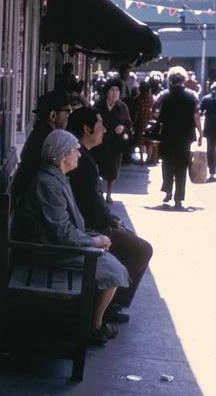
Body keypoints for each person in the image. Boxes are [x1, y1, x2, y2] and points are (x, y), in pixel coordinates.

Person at [14, 129, 130, 345]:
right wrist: (93, 241)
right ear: (62, 155)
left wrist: (93, 238)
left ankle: (91, 321)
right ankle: (92, 326)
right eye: (75, 150)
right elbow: (61, 233)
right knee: (113, 269)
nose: (79, 154)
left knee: (112, 261)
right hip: (48, 251)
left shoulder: (56, 177)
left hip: (55, 244)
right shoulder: (47, 183)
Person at [67, 106, 153, 321]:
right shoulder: (80, 159)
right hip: (88, 227)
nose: (104, 129)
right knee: (142, 249)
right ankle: (108, 308)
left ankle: (111, 304)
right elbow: (88, 204)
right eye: (99, 125)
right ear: (87, 129)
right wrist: (109, 223)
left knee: (133, 241)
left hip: (93, 221)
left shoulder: (84, 155)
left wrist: (112, 219)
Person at [10, 88, 72, 204]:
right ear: (53, 115)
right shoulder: (50, 141)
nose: (69, 115)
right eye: (67, 111)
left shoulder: (40, 132)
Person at [158, 65, 202, 209]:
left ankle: (168, 190)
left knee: (167, 163)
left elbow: (155, 113)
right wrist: (201, 133)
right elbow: (196, 117)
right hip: (185, 136)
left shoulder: (163, 95)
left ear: (170, 80)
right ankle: (179, 198)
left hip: (167, 134)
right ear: (184, 80)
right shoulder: (192, 95)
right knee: (181, 167)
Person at [94, 80, 133, 203]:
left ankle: (109, 194)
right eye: (112, 90)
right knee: (97, 167)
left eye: (117, 90)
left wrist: (123, 128)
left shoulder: (122, 107)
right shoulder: (99, 105)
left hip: (116, 142)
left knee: (113, 169)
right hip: (100, 140)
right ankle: (98, 191)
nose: (114, 93)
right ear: (106, 92)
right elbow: (91, 119)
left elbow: (128, 124)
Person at [129, 81, 155, 163]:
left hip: (140, 121)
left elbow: (136, 112)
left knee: (141, 141)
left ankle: (141, 159)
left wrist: (133, 122)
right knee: (149, 140)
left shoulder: (138, 99)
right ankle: (149, 158)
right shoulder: (152, 98)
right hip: (150, 121)